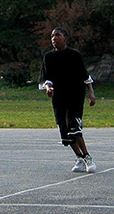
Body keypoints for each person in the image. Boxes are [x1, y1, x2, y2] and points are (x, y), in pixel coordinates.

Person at [38, 27, 97, 174]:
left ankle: (88, 158)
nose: (54, 38)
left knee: (73, 127)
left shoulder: (75, 55)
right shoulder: (49, 57)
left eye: (57, 35)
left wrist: (91, 92)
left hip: (75, 96)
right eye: (52, 36)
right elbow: (46, 78)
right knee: (64, 131)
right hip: (59, 98)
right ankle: (79, 158)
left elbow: (85, 75)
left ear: (65, 38)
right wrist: (48, 88)